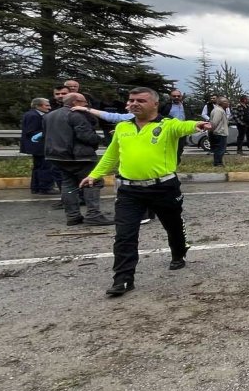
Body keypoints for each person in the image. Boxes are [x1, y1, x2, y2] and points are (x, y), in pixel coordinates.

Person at [81, 87, 213, 296]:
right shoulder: (123, 127)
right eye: (131, 100)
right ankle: (123, 279)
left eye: (140, 100)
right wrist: (94, 175)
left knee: (174, 226)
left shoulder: (167, 125)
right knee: (124, 235)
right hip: (129, 191)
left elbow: (184, 126)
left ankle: (179, 253)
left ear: (154, 104)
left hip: (164, 188)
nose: (134, 103)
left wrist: (198, 125)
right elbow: (111, 155)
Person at [44, 93, 114, 226]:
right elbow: (85, 136)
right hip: (79, 156)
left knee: (68, 185)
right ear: (76, 102)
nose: (86, 105)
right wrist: (101, 140)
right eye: (84, 102)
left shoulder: (49, 115)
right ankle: (94, 214)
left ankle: (72, 215)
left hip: (57, 156)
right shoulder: (77, 115)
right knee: (92, 182)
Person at [20, 98, 55, 195]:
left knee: (38, 166)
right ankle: (45, 187)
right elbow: (32, 131)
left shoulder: (33, 114)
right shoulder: (33, 116)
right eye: (46, 105)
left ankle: (36, 187)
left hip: (37, 146)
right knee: (45, 166)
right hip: (39, 146)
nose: (49, 107)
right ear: (38, 106)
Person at [159, 89, 189, 162]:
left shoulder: (185, 106)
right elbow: (159, 115)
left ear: (181, 97)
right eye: (174, 96)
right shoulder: (166, 105)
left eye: (178, 96)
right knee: (169, 147)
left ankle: (176, 162)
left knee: (180, 148)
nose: (176, 97)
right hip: (169, 130)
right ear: (170, 96)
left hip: (182, 130)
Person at [208, 97, 230, 166]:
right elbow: (214, 122)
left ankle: (219, 162)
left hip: (220, 132)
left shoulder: (220, 110)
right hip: (219, 133)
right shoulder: (218, 111)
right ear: (222, 103)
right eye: (227, 102)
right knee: (220, 149)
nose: (228, 103)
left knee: (220, 149)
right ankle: (218, 163)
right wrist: (212, 132)